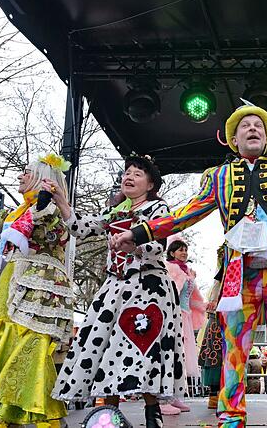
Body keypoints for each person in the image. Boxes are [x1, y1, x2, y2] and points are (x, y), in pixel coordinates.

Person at [109, 101, 267, 428]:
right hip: (240, 275)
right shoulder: (219, 176)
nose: (253, 129)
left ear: (266, 138)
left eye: (259, 126)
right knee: (234, 348)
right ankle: (230, 419)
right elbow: (185, 214)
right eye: (245, 126)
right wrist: (141, 232)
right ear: (233, 139)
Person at [46, 155, 185, 428]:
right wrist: (61, 200)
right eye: (127, 172)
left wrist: (134, 246)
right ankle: (107, 414)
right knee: (105, 346)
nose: (129, 177)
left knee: (146, 347)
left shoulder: (158, 209)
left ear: (150, 184)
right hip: (115, 286)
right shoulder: (115, 210)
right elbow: (80, 228)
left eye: (138, 173)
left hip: (148, 288)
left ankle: (151, 411)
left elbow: (159, 247)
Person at [0, 153, 74, 428]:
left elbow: (55, 233)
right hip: (15, 282)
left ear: (42, 179)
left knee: (31, 345)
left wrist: (44, 202)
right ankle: (36, 413)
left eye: (26, 172)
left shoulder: (51, 210)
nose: (20, 176)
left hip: (42, 286)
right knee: (15, 343)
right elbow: (2, 219)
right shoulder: (21, 211)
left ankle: (13, 414)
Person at [164, 237, 206, 414]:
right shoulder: (168, 268)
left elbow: (191, 300)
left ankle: (175, 397)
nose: (184, 253)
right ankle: (163, 398)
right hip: (171, 316)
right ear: (172, 252)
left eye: (185, 250)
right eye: (180, 250)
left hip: (184, 318)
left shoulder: (188, 271)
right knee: (169, 354)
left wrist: (205, 305)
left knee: (179, 356)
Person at [199, 244, 226, 410]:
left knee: (227, 356)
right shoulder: (220, 276)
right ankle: (214, 395)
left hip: (230, 316)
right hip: (217, 318)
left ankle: (224, 394)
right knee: (215, 356)